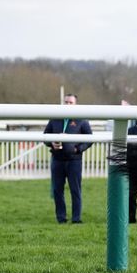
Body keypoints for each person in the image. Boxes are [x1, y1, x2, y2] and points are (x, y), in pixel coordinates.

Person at [43, 94, 92, 224]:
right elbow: (45, 136)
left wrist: (77, 149)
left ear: (76, 104)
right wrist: (52, 143)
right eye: (66, 102)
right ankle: (61, 218)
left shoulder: (81, 120)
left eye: (71, 102)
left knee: (75, 190)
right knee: (57, 190)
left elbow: (90, 139)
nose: (68, 105)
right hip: (57, 159)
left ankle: (76, 219)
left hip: (74, 161)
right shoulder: (55, 118)